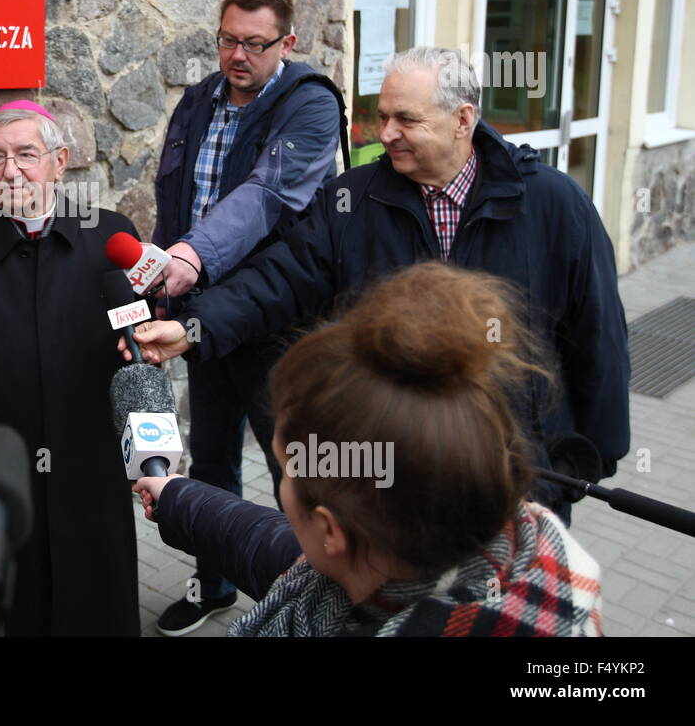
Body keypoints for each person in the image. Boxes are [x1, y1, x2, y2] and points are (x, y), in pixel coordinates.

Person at [125, 47, 631, 523]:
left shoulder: (555, 204)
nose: (385, 133)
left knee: (501, 615)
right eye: (383, 115)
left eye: (406, 119)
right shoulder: (351, 201)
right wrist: (192, 328)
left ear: (462, 120)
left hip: (514, 477)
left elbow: (599, 337)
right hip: (395, 475)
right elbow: (277, 277)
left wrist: (583, 464)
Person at [133, 262, 604, 637]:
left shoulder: (348, 585)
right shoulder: (514, 559)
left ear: (331, 531)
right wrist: (177, 495)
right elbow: (272, 547)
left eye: (286, 470)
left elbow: (289, 556)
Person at [149, 0, 345, 634]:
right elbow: (174, 197)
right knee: (209, 459)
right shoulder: (199, 101)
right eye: (228, 39)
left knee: (297, 468)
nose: (237, 55)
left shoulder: (309, 107)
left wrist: (191, 256)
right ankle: (214, 584)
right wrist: (162, 270)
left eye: (254, 44)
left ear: (286, 43)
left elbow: (266, 196)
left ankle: (318, 603)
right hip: (201, 318)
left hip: (275, 324)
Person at [0, 100, 141, 636]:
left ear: (60, 162)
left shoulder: (110, 237)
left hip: (92, 483)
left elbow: (139, 350)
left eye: (26, 155)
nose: (10, 171)